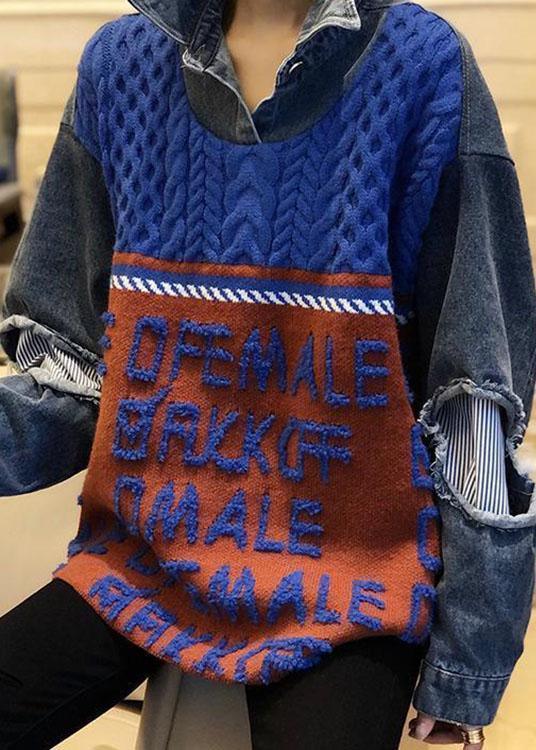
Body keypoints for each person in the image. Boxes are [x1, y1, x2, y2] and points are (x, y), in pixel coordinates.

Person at [0, 0, 535, 748]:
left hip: (352, 580)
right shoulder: (118, 70)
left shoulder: (424, 66)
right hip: (140, 559)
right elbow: (77, 370)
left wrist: (469, 657)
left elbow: (472, 395)